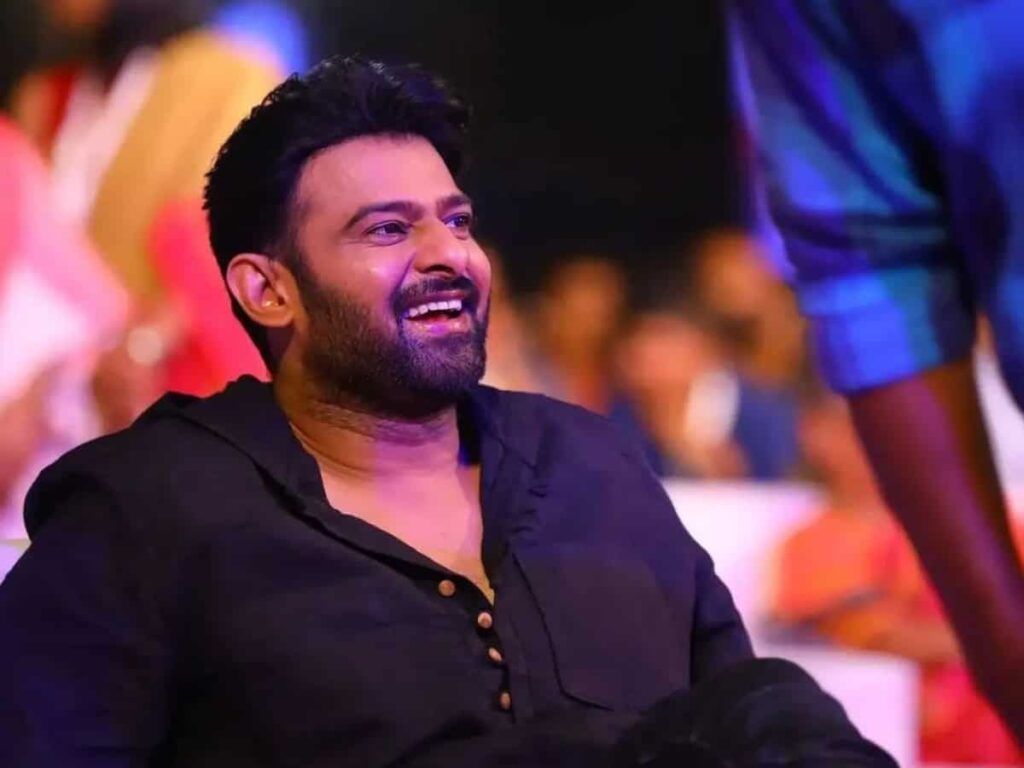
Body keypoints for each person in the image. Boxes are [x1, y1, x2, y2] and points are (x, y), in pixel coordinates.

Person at [0, 56, 893, 767]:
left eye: (457, 222)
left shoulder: (590, 464)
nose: (449, 255)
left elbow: (736, 718)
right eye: (388, 230)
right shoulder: (144, 511)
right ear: (268, 290)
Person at [731, 0, 1024, 739]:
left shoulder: (1009, 520)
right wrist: (998, 652)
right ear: (814, 431)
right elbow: (871, 266)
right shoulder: (815, 542)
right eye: (837, 418)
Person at [13, 0, 279, 429]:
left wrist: (142, 345)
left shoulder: (229, 76)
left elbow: (233, 240)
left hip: (159, 389)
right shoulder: (47, 94)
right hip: (39, 394)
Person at [774, 387, 1023, 763]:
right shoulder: (813, 543)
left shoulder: (985, 520)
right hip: (914, 735)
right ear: (817, 435)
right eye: (863, 421)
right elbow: (877, 636)